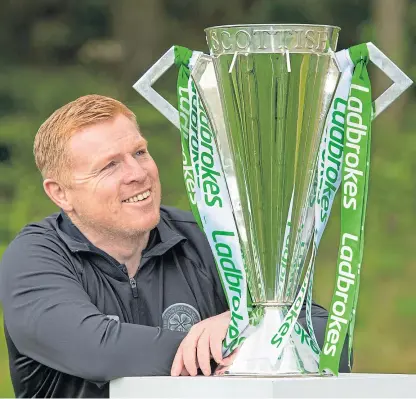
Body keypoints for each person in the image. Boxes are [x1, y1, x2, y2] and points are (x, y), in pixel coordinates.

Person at [0, 95, 350, 398]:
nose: (137, 173)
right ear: (60, 193)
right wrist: (252, 343)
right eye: (109, 166)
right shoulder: (35, 258)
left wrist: (245, 323)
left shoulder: (210, 237)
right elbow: (95, 349)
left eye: (139, 152)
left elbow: (331, 336)